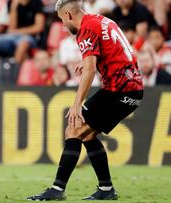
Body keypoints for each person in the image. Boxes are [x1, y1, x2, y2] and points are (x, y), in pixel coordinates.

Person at [27, 0, 143, 201]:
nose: (63, 26)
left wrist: (76, 104)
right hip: (131, 88)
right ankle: (106, 189)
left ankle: (57, 189)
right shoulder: (101, 20)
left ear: (69, 15)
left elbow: (89, 71)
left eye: (62, 20)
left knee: (73, 129)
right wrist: (89, 60)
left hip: (119, 90)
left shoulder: (85, 29)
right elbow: (117, 48)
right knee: (87, 135)